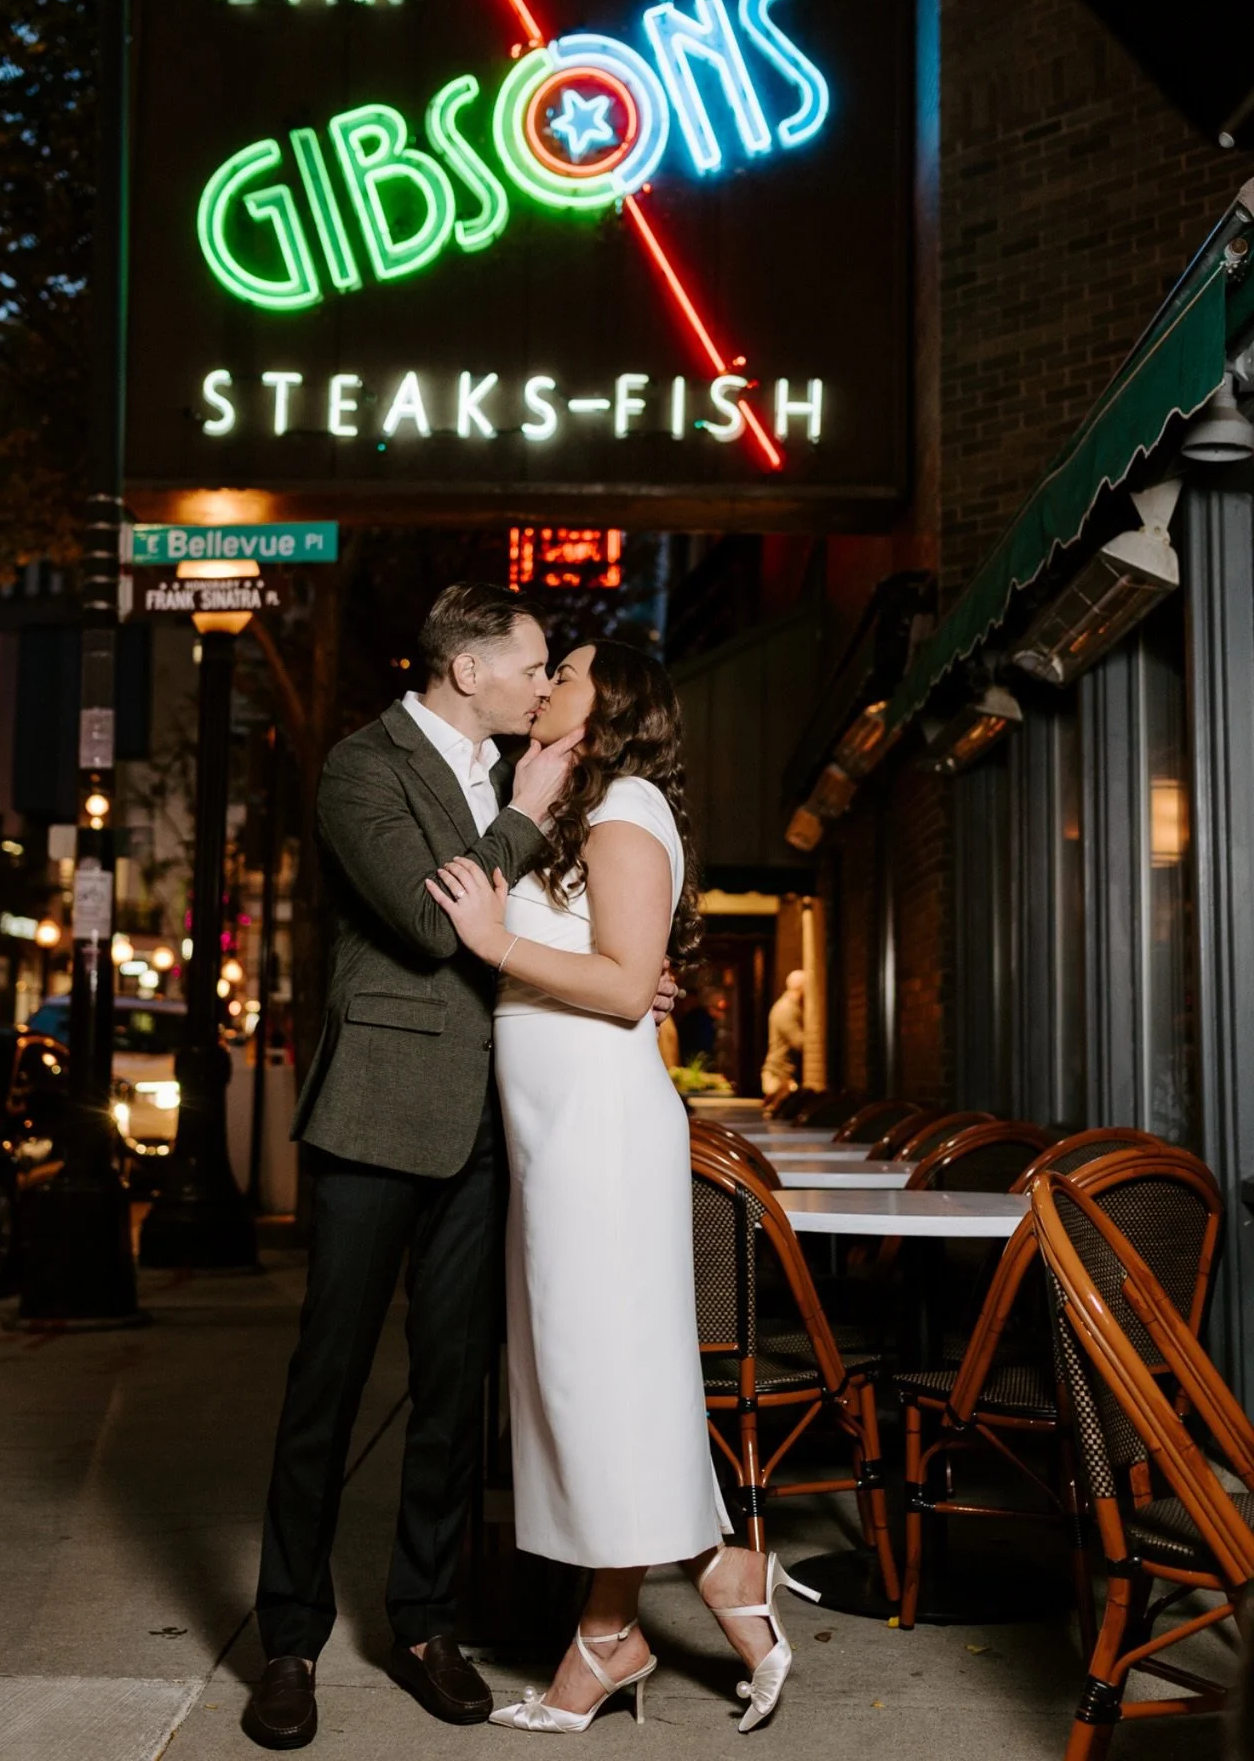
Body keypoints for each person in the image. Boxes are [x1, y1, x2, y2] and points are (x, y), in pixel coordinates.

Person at [428, 640, 817, 1737]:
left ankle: (656, 1612)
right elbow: (622, 969)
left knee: (598, 1378)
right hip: (559, 1134)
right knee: (585, 1382)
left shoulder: (628, 807)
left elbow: (616, 986)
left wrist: (494, 941)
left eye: (570, 675)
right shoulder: (577, 813)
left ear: (616, 707)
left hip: (600, 1134)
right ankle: (657, 1609)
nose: (546, 685)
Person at [245, 584, 586, 1751]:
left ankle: (427, 1624)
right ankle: (288, 1640)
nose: (545, 685)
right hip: (379, 1115)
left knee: (452, 1394)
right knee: (326, 1387)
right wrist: (528, 815)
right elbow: (436, 925)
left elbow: (529, 936)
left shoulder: (517, 769)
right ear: (465, 669)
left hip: (496, 1119)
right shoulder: (363, 767)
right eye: (532, 666)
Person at [760, 968, 805, 1106]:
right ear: (800, 987)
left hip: (783, 1075)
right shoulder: (786, 1009)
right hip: (780, 1077)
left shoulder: (792, 1007)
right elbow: (799, 1042)